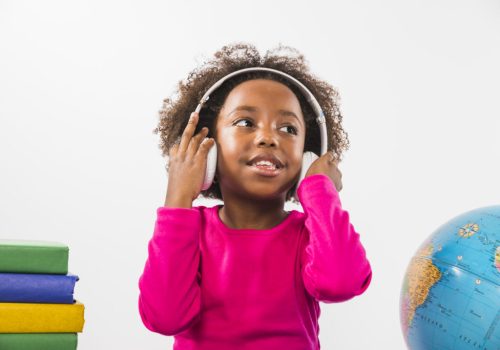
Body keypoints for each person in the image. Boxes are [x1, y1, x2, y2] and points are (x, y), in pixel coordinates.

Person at [138, 42, 372, 350]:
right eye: (245, 123)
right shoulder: (188, 230)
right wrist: (178, 199)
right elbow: (164, 317)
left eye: (288, 128)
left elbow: (340, 283)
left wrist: (319, 191)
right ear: (208, 147)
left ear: (306, 156)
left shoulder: (307, 234)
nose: (268, 137)